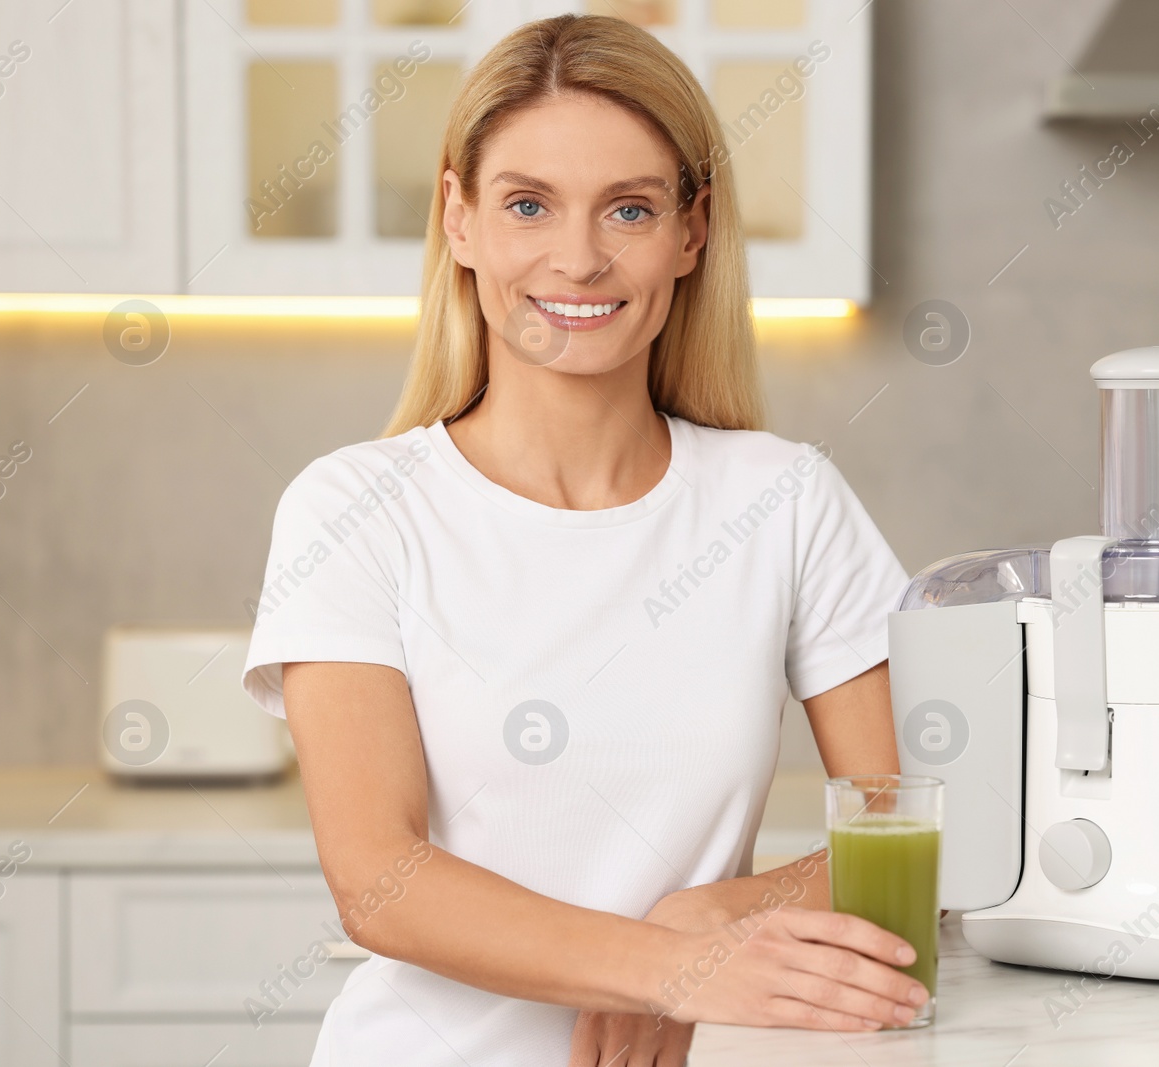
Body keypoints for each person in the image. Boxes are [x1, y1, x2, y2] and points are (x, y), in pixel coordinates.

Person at [242, 14, 923, 1066]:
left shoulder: (784, 500)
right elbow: (379, 877)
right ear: (458, 218)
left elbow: (915, 828)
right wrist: (658, 964)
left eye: (630, 209)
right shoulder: (354, 508)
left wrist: (711, 914)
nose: (578, 258)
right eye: (527, 204)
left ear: (691, 232)